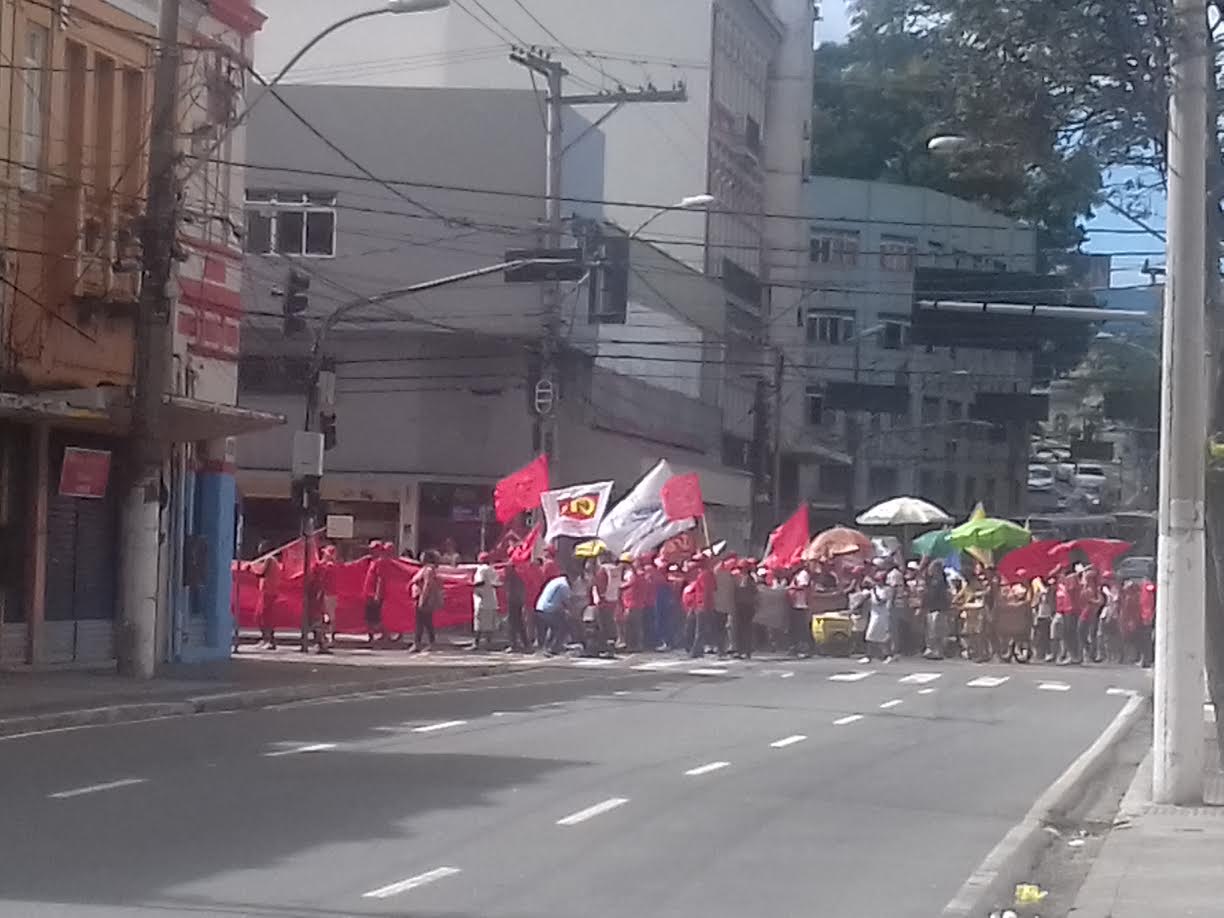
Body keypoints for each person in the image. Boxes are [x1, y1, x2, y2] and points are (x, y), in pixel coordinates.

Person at [409, 550, 443, 652]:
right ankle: (427, 643)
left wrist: (423, 599)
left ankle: (418, 643)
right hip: (421, 598)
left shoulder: (428, 570)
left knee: (422, 622)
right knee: (426, 622)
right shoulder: (425, 569)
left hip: (424, 599)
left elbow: (428, 585)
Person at [535, 571, 573, 655]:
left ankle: (549, 646)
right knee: (564, 626)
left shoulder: (555, 581)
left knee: (555, 626)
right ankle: (554, 647)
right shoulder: (564, 585)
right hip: (548, 610)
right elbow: (567, 601)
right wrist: (573, 613)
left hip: (539, 607)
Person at [592, 552, 622, 657]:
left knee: (602, 626)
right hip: (613, 599)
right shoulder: (616, 569)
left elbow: (600, 585)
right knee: (610, 624)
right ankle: (611, 647)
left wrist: (599, 597)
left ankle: (604, 649)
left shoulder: (602, 570)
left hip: (603, 601)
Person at [689, 555, 719, 658]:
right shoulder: (708, 574)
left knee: (700, 629)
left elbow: (707, 591)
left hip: (703, 605)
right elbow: (715, 588)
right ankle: (701, 649)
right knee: (705, 628)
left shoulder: (704, 575)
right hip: (705, 605)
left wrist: (703, 605)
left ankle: (696, 651)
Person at [862, 571, 894, 663]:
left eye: (878, 580)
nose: (876, 581)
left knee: (883, 637)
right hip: (874, 615)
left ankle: (888, 655)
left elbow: (880, 601)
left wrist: (874, 590)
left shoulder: (887, 590)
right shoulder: (874, 589)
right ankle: (868, 656)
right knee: (869, 635)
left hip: (882, 616)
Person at [254, 541, 281, 650]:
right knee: (261, 616)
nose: (259, 549)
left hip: (268, 592)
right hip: (267, 592)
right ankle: (265, 638)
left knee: (264, 617)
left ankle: (270, 640)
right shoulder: (270, 560)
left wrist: (251, 568)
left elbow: (261, 573)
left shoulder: (269, 559)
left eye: (261, 547)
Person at [471, 551, 501, 651]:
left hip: (482, 599)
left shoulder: (481, 569)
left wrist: (470, 584)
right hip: (491, 599)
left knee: (479, 623)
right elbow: (496, 584)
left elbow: (481, 581)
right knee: (489, 624)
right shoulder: (492, 569)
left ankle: (476, 643)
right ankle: (489, 643)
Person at [922, 559, 951, 660]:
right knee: (931, 631)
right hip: (931, 608)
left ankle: (938, 651)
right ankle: (931, 650)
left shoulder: (941, 581)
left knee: (937, 631)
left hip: (939, 608)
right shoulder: (931, 581)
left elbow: (942, 595)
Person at [361, 540, 387, 646]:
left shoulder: (380, 562)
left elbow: (380, 578)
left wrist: (377, 594)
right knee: (370, 617)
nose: (371, 551)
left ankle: (383, 635)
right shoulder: (373, 561)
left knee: (374, 618)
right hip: (368, 594)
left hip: (373, 595)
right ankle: (372, 637)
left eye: (373, 549)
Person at [788, 562, 815, 658]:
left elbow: (804, 587)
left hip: (801, 604)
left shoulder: (803, 574)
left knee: (802, 629)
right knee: (795, 628)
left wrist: (791, 588)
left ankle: (805, 649)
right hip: (795, 604)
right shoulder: (797, 574)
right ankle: (796, 648)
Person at [732, 559, 758, 658]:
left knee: (746, 629)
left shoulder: (750, 579)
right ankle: (740, 650)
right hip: (739, 606)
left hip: (747, 606)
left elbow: (754, 591)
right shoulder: (736, 578)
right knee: (739, 628)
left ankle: (747, 651)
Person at [503, 561, 530, 652]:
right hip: (516, 603)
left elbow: (512, 591)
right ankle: (525, 644)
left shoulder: (512, 578)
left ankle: (514, 644)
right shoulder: (517, 577)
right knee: (519, 624)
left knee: (512, 624)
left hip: (513, 603)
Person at [1079, 567, 1103, 664]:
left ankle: (1092, 654)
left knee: (1089, 635)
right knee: (1083, 635)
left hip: (1090, 614)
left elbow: (1100, 601)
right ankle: (1089, 653)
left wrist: (1092, 601)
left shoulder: (1094, 590)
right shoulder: (1088, 588)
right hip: (1085, 613)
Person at [1033, 574, 1056, 663]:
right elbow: (1035, 603)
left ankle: (1049, 652)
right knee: (1040, 635)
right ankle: (1041, 653)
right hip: (1040, 615)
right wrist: (1038, 595)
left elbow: (1051, 602)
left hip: (1048, 615)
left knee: (1047, 635)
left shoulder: (1051, 591)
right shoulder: (1040, 592)